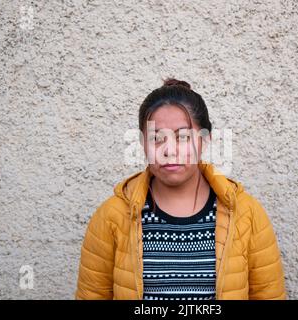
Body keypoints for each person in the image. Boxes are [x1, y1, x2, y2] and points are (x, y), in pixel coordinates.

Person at [75, 78, 286, 300]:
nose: (169, 150)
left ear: (205, 140)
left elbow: (268, 295)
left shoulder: (246, 213)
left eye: (183, 137)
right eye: (156, 138)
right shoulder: (112, 216)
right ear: (142, 143)